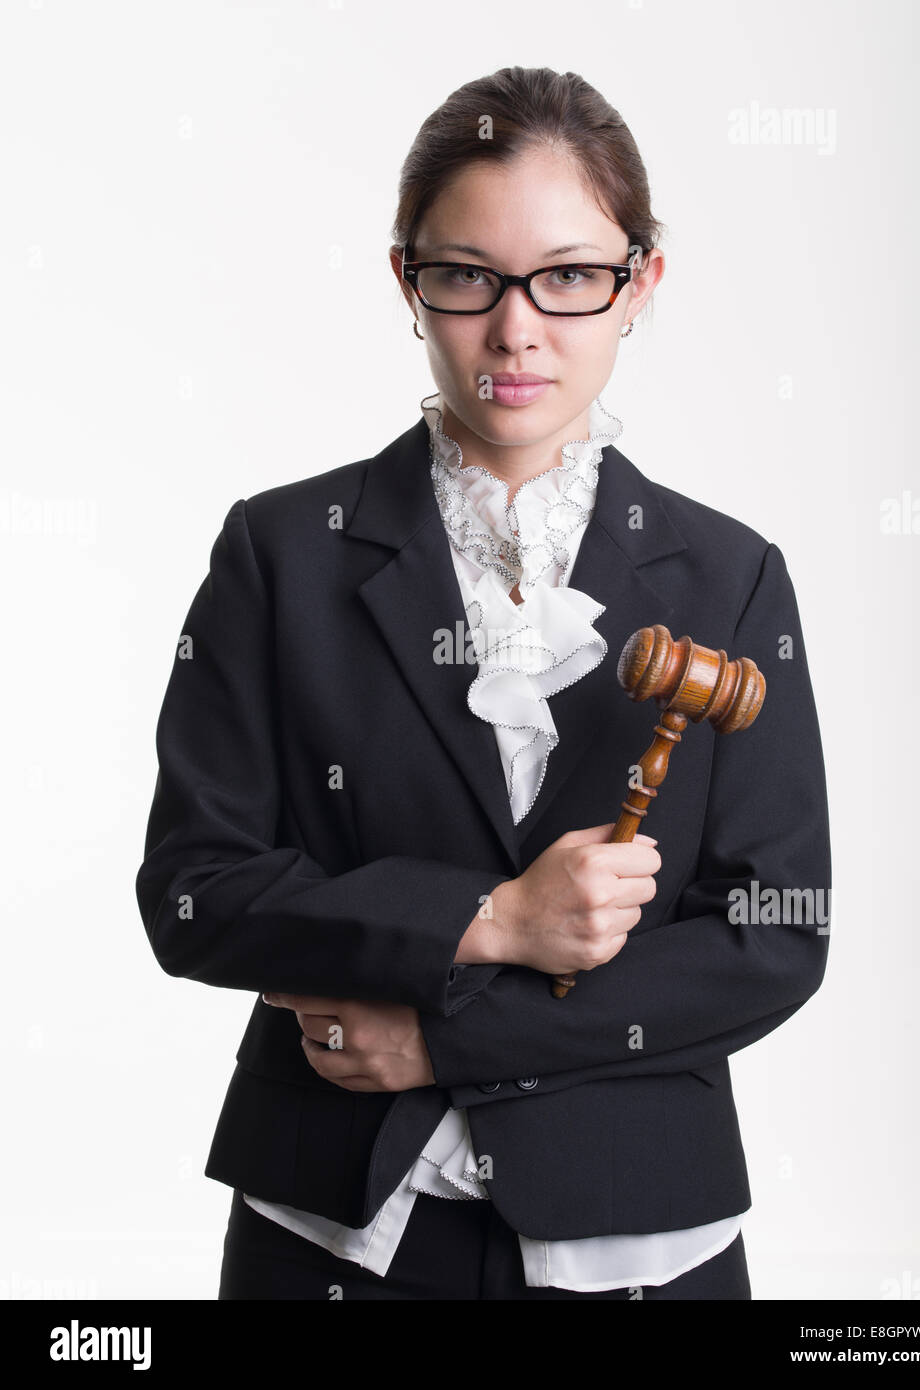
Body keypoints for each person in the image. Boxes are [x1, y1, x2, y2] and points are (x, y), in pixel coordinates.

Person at [135, 66, 830, 1301]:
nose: (518, 330)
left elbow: (772, 939)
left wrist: (449, 1033)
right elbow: (195, 894)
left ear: (641, 284)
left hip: (642, 1234)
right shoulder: (280, 553)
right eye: (468, 276)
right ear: (409, 281)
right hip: (330, 1231)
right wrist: (491, 919)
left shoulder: (731, 578)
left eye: (569, 276)